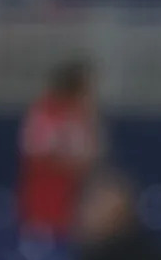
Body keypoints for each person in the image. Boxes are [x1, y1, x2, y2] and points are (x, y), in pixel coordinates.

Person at [17, 60, 103, 238]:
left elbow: (91, 158)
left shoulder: (84, 114)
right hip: (45, 199)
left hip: (75, 201)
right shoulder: (45, 111)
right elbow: (37, 153)